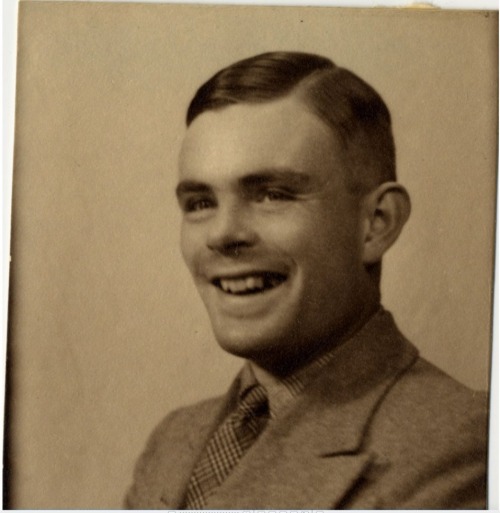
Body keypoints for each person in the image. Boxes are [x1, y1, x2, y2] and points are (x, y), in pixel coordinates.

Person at [125, 51, 488, 509]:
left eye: (273, 194)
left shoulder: (465, 444)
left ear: (376, 223)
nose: (222, 234)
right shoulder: (174, 442)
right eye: (200, 203)